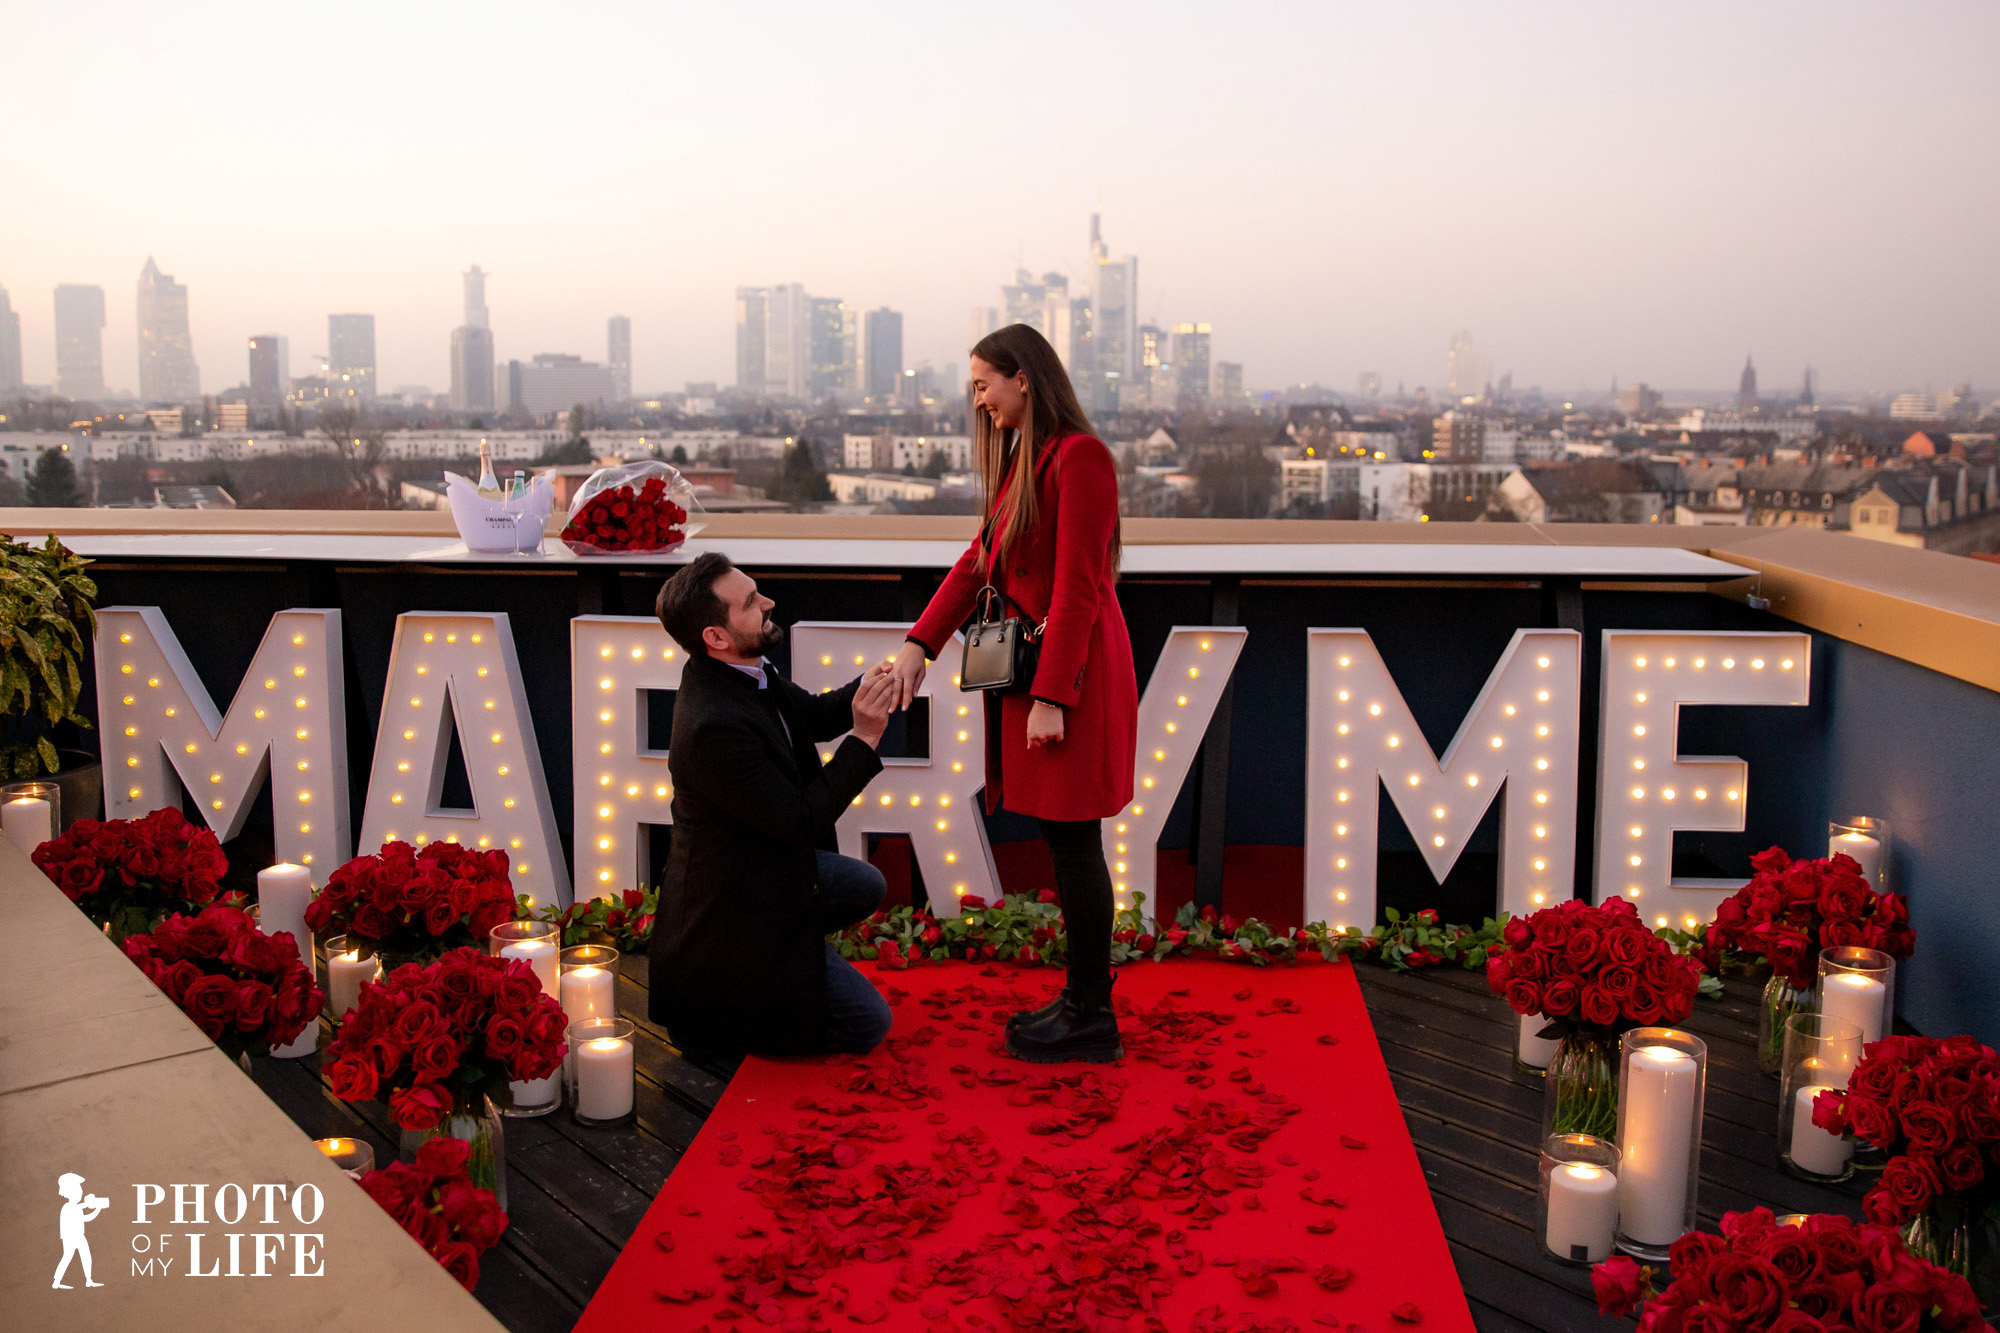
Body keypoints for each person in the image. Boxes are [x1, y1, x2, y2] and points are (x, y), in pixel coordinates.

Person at [890, 323, 1137, 1063]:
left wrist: (1055, 696)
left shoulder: (1080, 458)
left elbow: (1079, 586)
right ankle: (1083, 1001)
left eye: (983, 384)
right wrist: (919, 644)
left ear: (1023, 377)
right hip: (1047, 673)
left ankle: (1093, 1013)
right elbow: (978, 564)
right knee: (1067, 843)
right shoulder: (1025, 463)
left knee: (1075, 841)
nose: (979, 401)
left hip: (1072, 673)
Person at [647, 552, 901, 1058]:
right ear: (715, 637)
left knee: (865, 884)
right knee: (869, 1025)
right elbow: (802, 820)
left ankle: (794, 957)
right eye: (750, 602)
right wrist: (866, 738)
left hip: (765, 877)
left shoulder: (743, 672)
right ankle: (751, 1000)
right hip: (731, 919)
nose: (768, 602)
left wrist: (880, 680)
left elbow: (816, 715)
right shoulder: (712, 725)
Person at [52, 1172, 108, 1288]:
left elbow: (79, 1207)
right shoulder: (71, 1208)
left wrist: (88, 1204)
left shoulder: (70, 1206)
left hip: (75, 1236)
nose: (81, 1193)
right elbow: (86, 1218)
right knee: (69, 1257)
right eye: (79, 1191)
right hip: (73, 1236)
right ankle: (57, 1282)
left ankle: (87, 1280)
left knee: (83, 1256)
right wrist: (97, 1209)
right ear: (72, 1193)